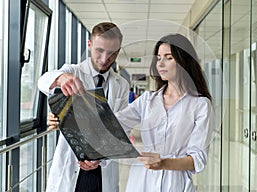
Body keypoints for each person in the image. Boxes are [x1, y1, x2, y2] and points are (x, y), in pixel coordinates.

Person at [48, 33, 215, 191]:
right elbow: (111, 126)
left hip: (175, 182)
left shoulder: (200, 105)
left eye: (168, 58)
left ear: (185, 62)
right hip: (141, 180)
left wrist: (164, 163)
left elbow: (198, 159)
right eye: (158, 58)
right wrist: (66, 118)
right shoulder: (148, 100)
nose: (161, 64)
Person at [38, 22, 129, 192]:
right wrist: (61, 78)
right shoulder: (73, 71)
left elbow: (123, 128)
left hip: (102, 170)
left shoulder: (121, 85)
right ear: (89, 45)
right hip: (72, 166)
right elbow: (42, 81)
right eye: (99, 51)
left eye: (111, 54)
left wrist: (100, 159)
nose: (104, 59)